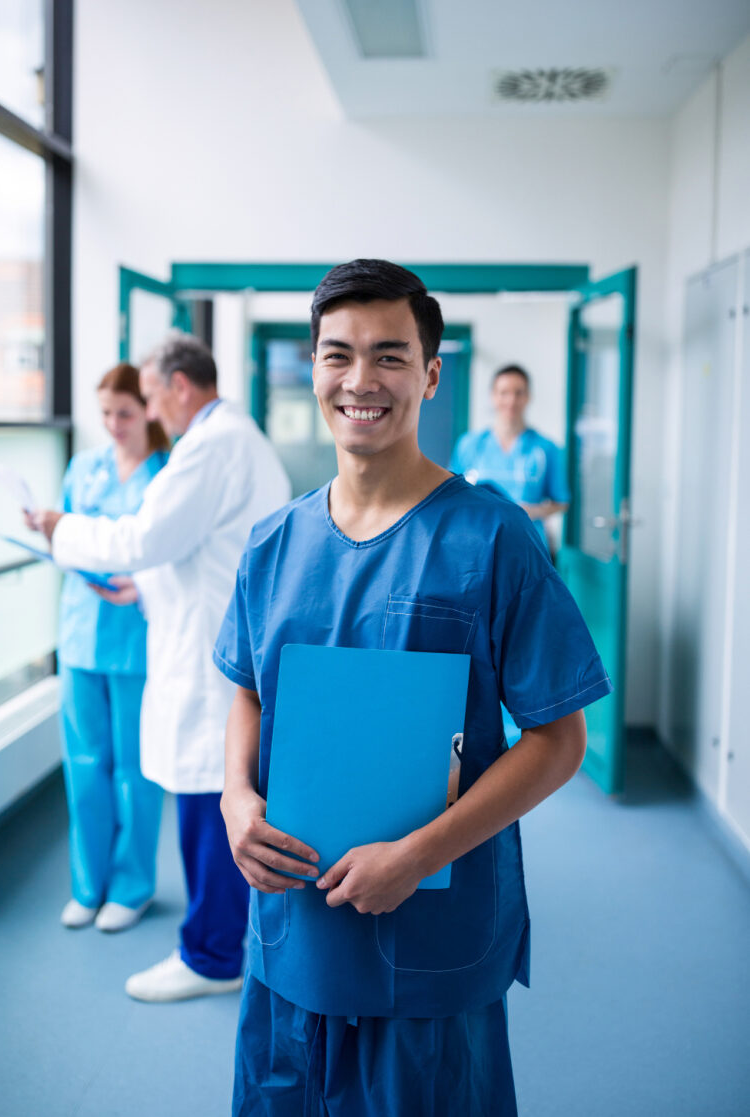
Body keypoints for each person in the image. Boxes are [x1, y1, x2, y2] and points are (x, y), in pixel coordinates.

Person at [215, 259, 611, 1116]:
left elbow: (559, 739)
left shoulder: (493, 539)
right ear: (315, 368)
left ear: (431, 374)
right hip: (294, 932)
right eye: (337, 355)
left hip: (429, 936)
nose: (361, 380)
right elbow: (247, 685)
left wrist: (419, 854)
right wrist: (234, 797)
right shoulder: (272, 544)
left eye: (389, 356)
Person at [31, 333, 290, 1001]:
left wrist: (61, 528)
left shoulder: (210, 446)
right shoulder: (234, 438)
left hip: (209, 652)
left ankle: (210, 955)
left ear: (179, 386)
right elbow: (200, 551)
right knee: (212, 792)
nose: (149, 413)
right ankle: (217, 940)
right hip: (211, 631)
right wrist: (143, 590)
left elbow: (143, 536)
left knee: (209, 795)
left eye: (149, 397)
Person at [38, 363, 169, 933]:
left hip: (137, 638)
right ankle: (87, 886)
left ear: (148, 411)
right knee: (84, 766)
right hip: (79, 634)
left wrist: (145, 584)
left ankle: (132, 887)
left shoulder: (167, 473)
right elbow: (69, 539)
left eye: (125, 413)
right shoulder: (83, 467)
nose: (113, 425)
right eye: (106, 414)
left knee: (135, 770)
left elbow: (174, 556)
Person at [450, 363, 570, 550]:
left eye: (518, 393)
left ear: (528, 397)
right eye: (504, 393)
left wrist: (531, 511)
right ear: (493, 396)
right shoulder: (469, 444)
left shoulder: (546, 448)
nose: (511, 400)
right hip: (478, 542)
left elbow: (561, 502)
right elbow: (452, 493)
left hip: (527, 543)